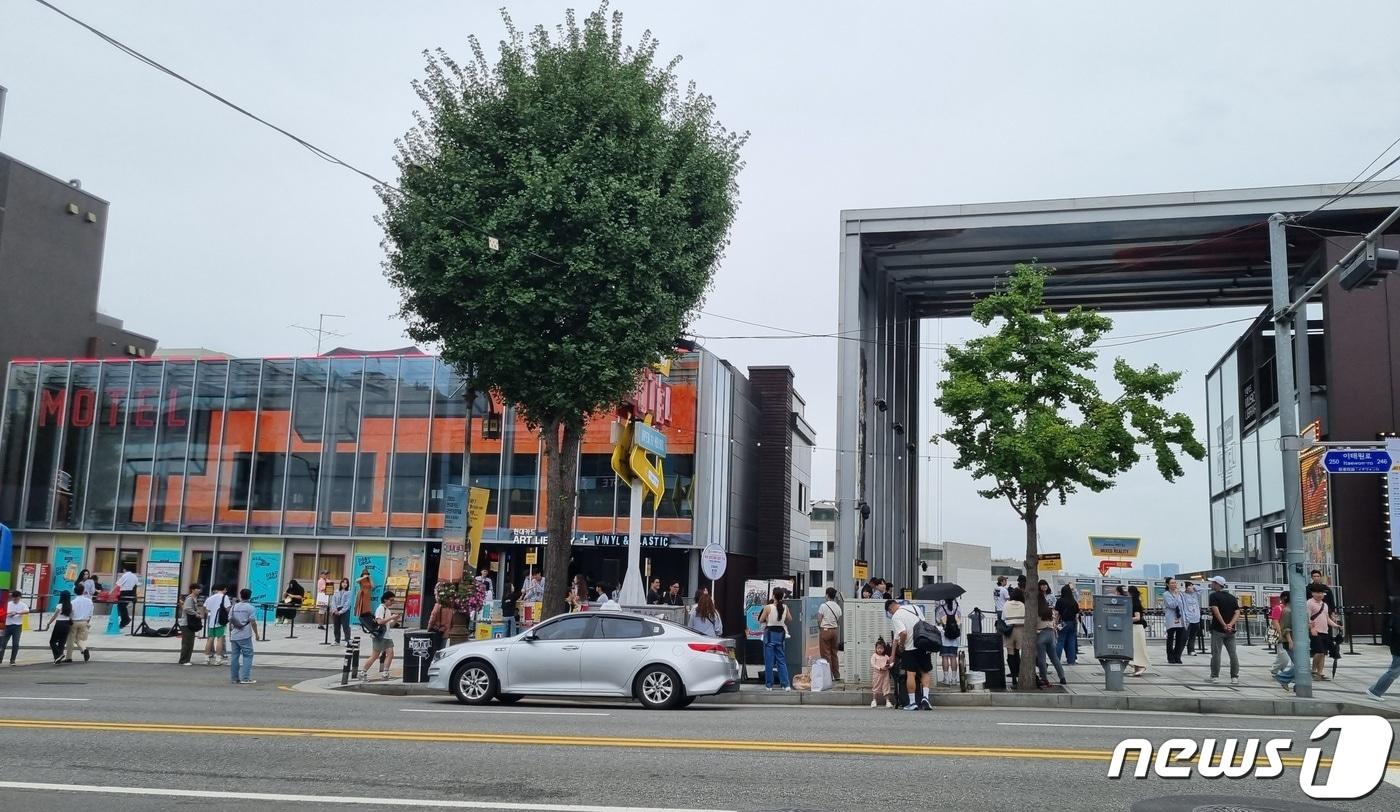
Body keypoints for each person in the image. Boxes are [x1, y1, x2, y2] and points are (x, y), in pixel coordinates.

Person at [886, 598, 931, 710]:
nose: (891, 614)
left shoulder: (896, 616)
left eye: (890, 612)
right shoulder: (915, 608)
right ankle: (925, 698)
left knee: (911, 674)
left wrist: (901, 646)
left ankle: (912, 702)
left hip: (910, 648)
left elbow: (903, 633)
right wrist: (892, 655)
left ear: (890, 608)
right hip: (923, 645)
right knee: (925, 672)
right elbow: (923, 624)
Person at [1364, 596, 1400, 702]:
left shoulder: (1394, 617)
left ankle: (1374, 690)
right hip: (1398, 648)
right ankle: (1375, 691)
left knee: (1394, 672)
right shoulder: (1397, 618)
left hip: (1397, 647)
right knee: (1393, 672)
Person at [1207, 575, 1240, 685]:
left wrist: (1224, 625)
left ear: (1217, 584)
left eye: (1212, 582)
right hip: (1231, 631)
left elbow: (1216, 612)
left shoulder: (1213, 596)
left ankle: (1214, 676)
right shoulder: (1232, 597)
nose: (1211, 584)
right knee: (1233, 653)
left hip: (1218, 629)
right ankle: (1234, 677)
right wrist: (1230, 624)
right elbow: (1237, 612)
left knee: (1216, 653)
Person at [758, 589, 792, 691]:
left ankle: (769, 685)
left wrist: (768, 619)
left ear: (773, 596)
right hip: (780, 634)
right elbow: (790, 619)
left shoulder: (768, 607)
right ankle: (786, 684)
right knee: (781, 660)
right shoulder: (785, 607)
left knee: (769, 661)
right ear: (782, 597)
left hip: (769, 634)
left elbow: (760, 620)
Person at [1306, 584, 1342, 682]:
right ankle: (1313, 670)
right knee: (1319, 652)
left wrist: (1336, 625)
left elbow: (1327, 618)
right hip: (1315, 631)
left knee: (1323, 653)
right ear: (1312, 593)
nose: (1319, 595)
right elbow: (1307, 617)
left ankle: (1320, 673)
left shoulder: (1324, 605)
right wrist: (1311, 629)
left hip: (1324, 631)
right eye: (1317, 592)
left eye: (1321, 593)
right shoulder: (1309, 603)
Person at [365, 590, 400, 681]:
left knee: (390, 653)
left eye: (393, 600)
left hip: (386, 635)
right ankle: (363, 672)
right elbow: (379, 621)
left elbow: (389, 625)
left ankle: (385, 673)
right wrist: (392, 617)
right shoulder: (380, 608)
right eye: (391, 600)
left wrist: (395, 619)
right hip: (380, 636)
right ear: (385, 600)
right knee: (375, 655)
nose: (392, 602)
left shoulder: (387, 610)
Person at [1034, 587, 1066, 687]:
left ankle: (1044, 678)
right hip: (1051, 634)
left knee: (1042, 659)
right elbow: (1054, 622)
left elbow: (1034, 624)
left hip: (1041, 634)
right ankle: (1062, 677)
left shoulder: (1036, 611)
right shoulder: (1049, 611)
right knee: (1054, 658)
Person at [227, 588, 259, 685]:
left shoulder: (234, 607)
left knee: (234, 656)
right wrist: (256, 633)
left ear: (240, 595)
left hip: (234, 634)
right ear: (250, 596)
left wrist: (230, 633)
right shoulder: (250, 608)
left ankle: (234, 678)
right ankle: (245, 677)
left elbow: (230, 619)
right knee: (248, 655)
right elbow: (253, 622)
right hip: (245, 634)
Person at [817, 587, 843, 682]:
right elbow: (839, 620)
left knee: (826, 654)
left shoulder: (823, 606)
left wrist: (820, 627)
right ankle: (837, 675)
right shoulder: (837, 606)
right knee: (834, 653)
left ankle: (828, 676)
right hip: (835, 631)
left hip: (825, 630)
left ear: (827, 595)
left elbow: (819, 619)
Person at [1001, 587, 1026, 687]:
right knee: (1017, 652)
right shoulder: (1023, 605)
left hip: (1009, 630)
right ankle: (1019, 674)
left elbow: (1003, 617)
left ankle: (1013, 677)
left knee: (1010, 654)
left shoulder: (1006, 604)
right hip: (1020, 630)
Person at [935, 596, 961, 686]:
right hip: (955, 636)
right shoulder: (957, 607)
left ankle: (946, 678)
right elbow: (959, 621)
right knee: (953, 657)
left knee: (945, 657)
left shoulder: (941, 608)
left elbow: (937, 620)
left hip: (944, 636)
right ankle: (954, 679)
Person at [203, 584, 231, 666]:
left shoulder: (210, 598)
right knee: (220, 639)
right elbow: (228, 609)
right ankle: (218, 659)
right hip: (220, 622)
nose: (226, 591)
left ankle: (206, 659)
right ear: (224, 589)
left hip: (211, 622)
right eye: (225, 589)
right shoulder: (224, 597)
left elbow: (206, 609)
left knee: (210, 639)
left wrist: (211, 615)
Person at [66, 582, 93, 663]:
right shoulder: (89, 601)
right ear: (83, 591)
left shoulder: (73, 602)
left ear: (75, 592)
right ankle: (84, 649)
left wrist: (69, 620)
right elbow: (91, 613)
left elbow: (70, 613)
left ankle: (69, 657)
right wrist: (87, 621)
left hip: (74, 622)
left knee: (71, 639)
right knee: (79, 639)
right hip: (84, 621)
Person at [1162, 577, 1186, 665]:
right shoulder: (1166, 594)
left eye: (1175, 583)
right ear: (1167, 584)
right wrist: (1176, 596)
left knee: (1179, 639)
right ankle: (1170, 657)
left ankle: (1177, 656)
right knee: (1170, 639)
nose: (1174, 585)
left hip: (1179, 618)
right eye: (1172, 583)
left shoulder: (1180, 594)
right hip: (1171, 618)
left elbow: (1182, 605)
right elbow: (1172, 605)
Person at [1054, 584, 1080, 665]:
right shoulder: (1074, 601)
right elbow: (1076, 614)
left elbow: (1057, 614)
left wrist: (1055, 623)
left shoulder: (1060, 601)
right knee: (1071, 642)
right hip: (1072, 623)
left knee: (1060, 641)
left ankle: (1056, 660)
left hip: (1063, 623)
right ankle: (1071, 660)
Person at [177, 583, 203, 666]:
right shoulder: (190, 598)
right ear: (193, 590)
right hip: (186, 623)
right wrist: (196, 613)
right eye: (197, 589)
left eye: (199, 589)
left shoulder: (194, 598)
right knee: (186, 642)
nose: (199, 590)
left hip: (190, 623)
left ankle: (187, 659)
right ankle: (183, 660)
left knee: (190, 642)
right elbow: (187, 608)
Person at [1127, 586, 1150, 677]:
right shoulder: (1133, 602)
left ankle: (1141, 666)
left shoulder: (1135, 603)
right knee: (1135, 648)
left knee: (1138, 648)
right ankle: (1137, 668)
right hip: (1135, 627)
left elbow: (1137, 617)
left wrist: (1126, 619)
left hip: (1137, 627)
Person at [47, 591, 73, 666]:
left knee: (52, 642)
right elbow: (71, 616)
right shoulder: (70, 605)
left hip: (59, 623)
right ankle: (57, 659)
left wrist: (49, 623)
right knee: (62, 642)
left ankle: (59, 654)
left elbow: (55, 616)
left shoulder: (59, 605)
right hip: (67, 624)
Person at [3, 592, 28, 665]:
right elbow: (2, 612)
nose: (15, 599)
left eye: (17, 598)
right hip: (7, 626)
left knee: (15, 644)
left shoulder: (23, 604)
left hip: (17, 626)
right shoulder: (8, 604)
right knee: (3, 643)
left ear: (20, 597)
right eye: (14, 598)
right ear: (12, 597)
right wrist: (9, 614)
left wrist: (17, 613)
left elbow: (27, 611)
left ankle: (12, 660)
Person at [870, 639, 894, 708]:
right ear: (876, 648)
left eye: (881, 648)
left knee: (886, 686)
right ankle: (874, 700)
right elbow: (873, 664)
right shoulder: (874, 655)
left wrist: (889, 666)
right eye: (878, 648)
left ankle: (887, 701)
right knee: (876, 686)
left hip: (885, 673)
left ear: (884, 649)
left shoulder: (886, 656)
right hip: (877, 673)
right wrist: (880, 668)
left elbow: (891, 663)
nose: (879, 650)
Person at [1183, 581, 1204, 655]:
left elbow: (1202, 589)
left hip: (1196, 618)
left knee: (1193, 635)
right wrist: (1185, 588)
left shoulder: (1195, 594)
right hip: (1188, 618)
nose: (1191, 588)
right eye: (1189, 586)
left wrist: (1194, 586)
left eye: (1192, 586)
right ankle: (1179, 649)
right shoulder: (1184, 595)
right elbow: (1180, 591)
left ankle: (1191, 650)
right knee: (1185, 636)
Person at [329, 578, 353, 645]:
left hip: (344, 611)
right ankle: (337, 641)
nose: (344, 584)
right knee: (336, 626)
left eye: (346, 583)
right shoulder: (336, 591)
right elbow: (333, 601)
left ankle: (347, 640)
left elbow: (347, 603)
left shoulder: (349, 592)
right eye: (343, 582)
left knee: (345, 626)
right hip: (336, 610)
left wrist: (341, 611)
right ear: (341, 583)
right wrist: (335, 609)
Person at [115, 564, 139, 629]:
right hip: (132, 593)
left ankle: (125, 620)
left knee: (121, 607)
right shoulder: (135, 576)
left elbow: (118, 585)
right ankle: (126, 620)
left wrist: (111, 592)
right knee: (123, 607)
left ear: (125, 569)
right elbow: (136, 585)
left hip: (124, 593)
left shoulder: (125, 575)